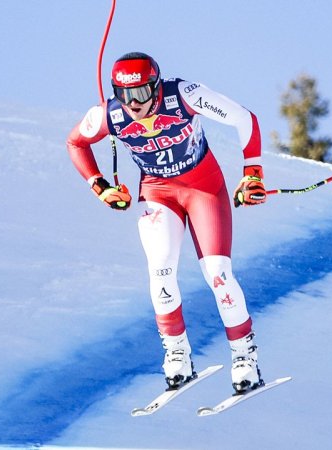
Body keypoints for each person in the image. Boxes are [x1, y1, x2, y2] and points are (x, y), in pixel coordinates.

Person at [66, 52, 268, 393]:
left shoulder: (184, 95)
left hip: (204, 188)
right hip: (158, 191)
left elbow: (244, 118)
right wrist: (100, 187)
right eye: (124, 95)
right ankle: (177, 354)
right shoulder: (108, 114)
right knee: (160, 269)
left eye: (142, 94)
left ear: (156, 87)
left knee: (218, 274)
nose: (133, 104)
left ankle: (244, 357)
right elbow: (76, 142)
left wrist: (252, 173)